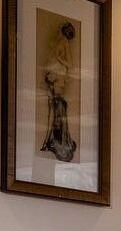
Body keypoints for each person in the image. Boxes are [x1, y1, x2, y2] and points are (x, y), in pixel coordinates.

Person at [41, 21, 77, 162]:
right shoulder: (62, 42)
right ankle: (53, 140)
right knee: (56, 107)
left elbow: (69, 63)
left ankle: (54, 140)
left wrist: (59, 60)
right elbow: (67, 62)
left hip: (57, 76)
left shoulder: (63, 43)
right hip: (56, 76)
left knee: (57, 107)